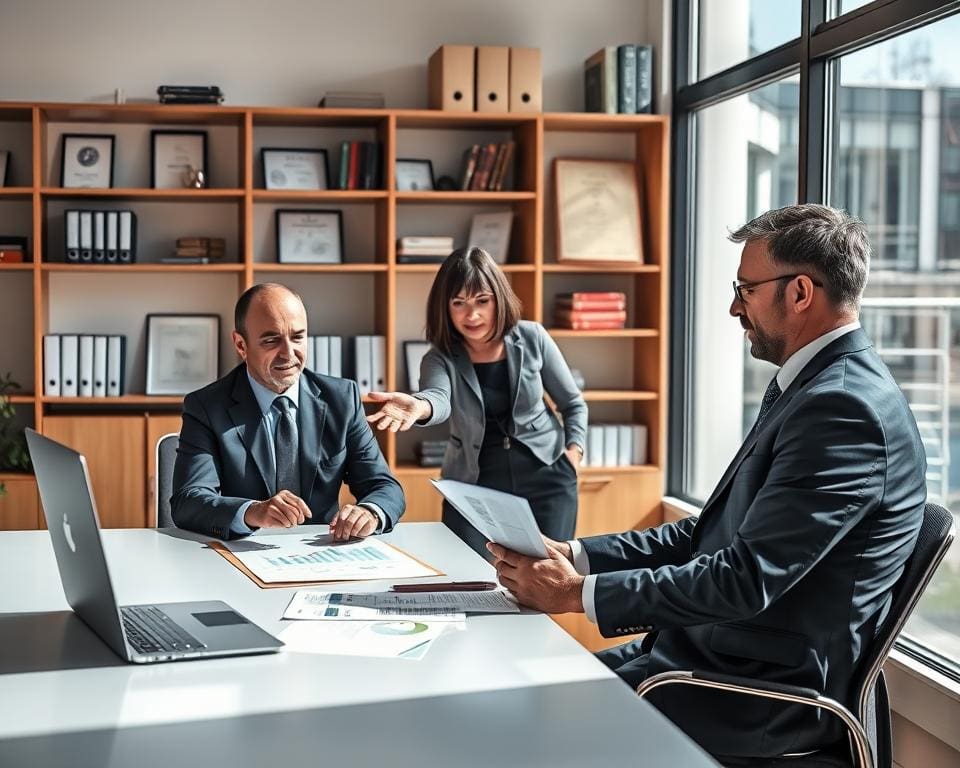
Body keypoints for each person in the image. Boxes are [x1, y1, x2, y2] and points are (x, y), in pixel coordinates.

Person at [486, 204, 927, 762]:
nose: (732, 307)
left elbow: (746, 580)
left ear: (799, 293)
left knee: (529, 728)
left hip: (757, 696)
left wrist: (574, 595)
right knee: (526, 698)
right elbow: (709, 534)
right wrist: (575, 555)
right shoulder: (812, 387)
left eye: (745, 289)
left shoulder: (841, 408)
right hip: (707, 658)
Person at [366, 247, 587, 557]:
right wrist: (419, 407)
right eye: (459, 303)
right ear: (445, 308)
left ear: (499, 297)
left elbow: (572, 403)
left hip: (547, 478)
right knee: (468, 575)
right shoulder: (439, 358)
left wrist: (573, 454)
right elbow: (438, 399)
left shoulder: (533, 337)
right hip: (473, 486)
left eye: (482, 301)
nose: (472, 315)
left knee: (546, 580)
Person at [171, 283, 405, 541]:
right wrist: (252, 511)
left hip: (322, 554)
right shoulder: (206, 407)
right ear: (241, 345)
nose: (288, 353)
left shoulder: (342, 399)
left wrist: (369, 513)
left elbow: (384, 487)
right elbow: (188, 501)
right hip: (243, 551)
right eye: (271, 340)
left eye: (297, 337)